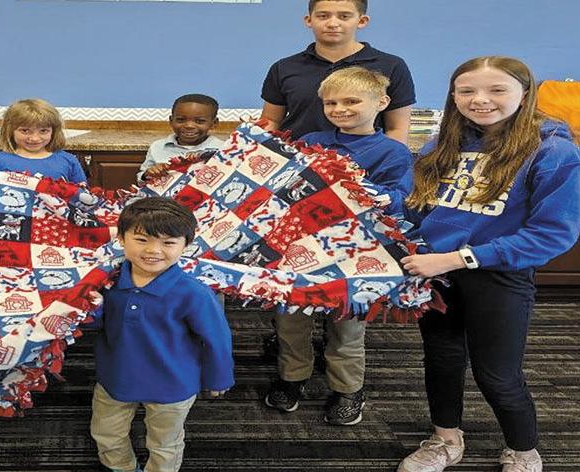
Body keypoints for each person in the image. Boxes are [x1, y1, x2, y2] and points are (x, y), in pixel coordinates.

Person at [395, 56, 580, 472]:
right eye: (466, 91)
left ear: (525, 93)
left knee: (498, 374)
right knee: (442, 359)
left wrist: (458, 258)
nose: (479, 100)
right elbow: (417, 208)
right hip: (436, 273)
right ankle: (446, 439)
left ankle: (524, 454)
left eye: (496, 90)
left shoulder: (554, 152)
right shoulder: (441, 144)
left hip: (497, 274)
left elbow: (552, 234)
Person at [264, 66, 414, 425]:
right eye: (331, 102)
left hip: (357, 252)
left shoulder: (392, 151)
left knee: (347, 324)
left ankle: (347, 387)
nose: (340, 108)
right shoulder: (313, 140)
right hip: (302, 246)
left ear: (382, 103)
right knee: (291, 318)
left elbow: (401, 200)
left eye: (351, 101)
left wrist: (372, 194)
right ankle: (293, 377)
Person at [74, 198, 233, 472]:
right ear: (121, 239)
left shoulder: (193, 292)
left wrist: (219, 377)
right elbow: (95, 322)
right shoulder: (106, 281)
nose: (153, 251)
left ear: (186, 245)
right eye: (142, 239)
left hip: (172, 383)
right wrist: (85, 310)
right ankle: (122, 470)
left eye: (168, 242)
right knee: (106, 430)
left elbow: (217, 337)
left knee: (164, 442)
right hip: (115, 375)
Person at [260, 0, 415, 144]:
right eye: (323, 16)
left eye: (344, 16)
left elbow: (396, 128)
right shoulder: (284, 68)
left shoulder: (391, 66)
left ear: (362, 21)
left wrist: (384, 161)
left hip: (362, 166)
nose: (333, 23)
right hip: (296, 164)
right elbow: (271, 120)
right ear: (309, 20)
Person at [0, 98, 87, 182]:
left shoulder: (68, 161)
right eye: (25, 131)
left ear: (53, 131)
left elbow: (82, 199)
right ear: (10, 130)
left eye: (43, 131)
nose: (35, 138)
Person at [138, 93, 224, 182]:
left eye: (199, 121)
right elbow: (140, 180)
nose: (189, 126)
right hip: (163, 195)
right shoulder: (158, 146)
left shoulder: (223, 149)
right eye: (180, 120)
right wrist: (148, 174)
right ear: (171, 121)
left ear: (214, 123)